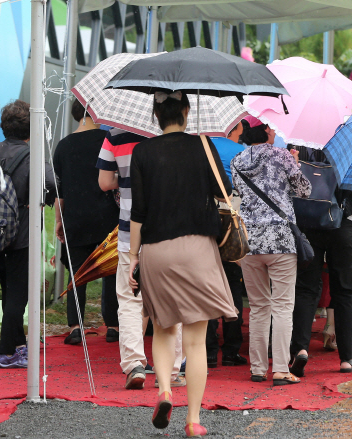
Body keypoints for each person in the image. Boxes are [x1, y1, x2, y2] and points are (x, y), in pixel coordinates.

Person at [128, 90, 238, 436]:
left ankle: (163, 389)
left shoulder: (141, 151)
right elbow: (225, 192)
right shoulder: (203, 146)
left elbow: (138, 213)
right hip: (198, 249)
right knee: (195, 339)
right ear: (187, 111)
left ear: (155, 115)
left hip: (156, 250)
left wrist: (133, 257)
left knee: (162, 328)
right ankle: (193, 421)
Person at [98, 127, 184, 390]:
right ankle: (169, 370)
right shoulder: (172, 138)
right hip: (167, 230)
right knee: (170, 298)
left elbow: (104, 182)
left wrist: (125, 180)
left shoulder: (114, 136)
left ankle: (134, 364)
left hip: (128, 232)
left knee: (129, 299)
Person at [231, 115, 311, 385]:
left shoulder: (237, 161)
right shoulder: (283, 156)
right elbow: (305, 190)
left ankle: (256, 368)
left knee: (258, 307)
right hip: (280, 241)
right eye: (272, 126)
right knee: (283, 306)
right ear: (265, 130)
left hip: (250, 241)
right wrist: (296, 165)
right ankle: (279, 369)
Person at [288, 144, 352, 375]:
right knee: (343, 289)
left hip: (308, 220)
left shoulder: (300, 147)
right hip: (343, 221)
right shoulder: (350, 145)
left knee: (305, 288)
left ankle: (300, 350)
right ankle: (345, 359)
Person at [54, 99, 120, 345]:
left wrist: (59, 222)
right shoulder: (109, 140)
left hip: (75, 216)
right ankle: (113, 325)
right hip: (107, 215)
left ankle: (75, 327)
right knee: (111, 269)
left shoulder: (63, 146)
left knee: (76, 272)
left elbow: (60, 193)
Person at [0, 101, 56, 368]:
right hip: (21, 235)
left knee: (6, 290)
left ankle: (16, 344)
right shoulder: (33, 159)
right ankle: (8, 352)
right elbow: (55, 184)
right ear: (30, 129)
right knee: (16, 296)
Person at [206, 122, 248, 368]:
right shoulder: (241, 151)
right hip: (233, 216)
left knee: (209, 281)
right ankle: (232, 349)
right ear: (235, 128)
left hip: (207, 216)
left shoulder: (205, 147)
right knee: (232, 280)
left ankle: (209, 349)